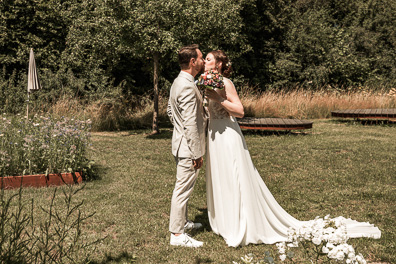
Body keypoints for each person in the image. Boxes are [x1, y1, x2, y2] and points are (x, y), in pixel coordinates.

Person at [203, 50, 381, 247]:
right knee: (221, 177)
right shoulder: (205, 82)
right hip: (214, 136)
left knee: (233, 177)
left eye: (209, 59)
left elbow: (240, 111)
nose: (204, 61)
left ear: (218, 64)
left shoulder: (226, 83)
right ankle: (224, 220)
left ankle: (239, 222)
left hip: (228, 136)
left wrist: (217, 98)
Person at [167, 44, 208, 248]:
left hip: (181, 143)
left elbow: (169, 110)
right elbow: (190, 122)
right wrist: (196, 152)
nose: (202, 61)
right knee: (182, 190)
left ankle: (183, 222)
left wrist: (179, 129)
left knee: (184, 188)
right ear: (192, 62)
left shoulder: (178, 81)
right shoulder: (187, 85)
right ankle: (176, 234)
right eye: (200, 58)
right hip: (187, 148)